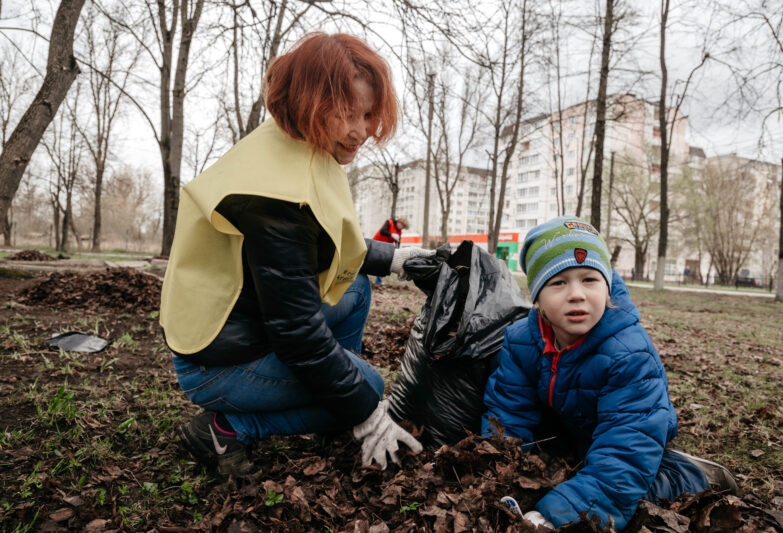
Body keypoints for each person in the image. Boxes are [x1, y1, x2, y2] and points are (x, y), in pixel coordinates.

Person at [160, 33, 429, 476]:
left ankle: (332, 400)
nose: (361, 131)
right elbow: (297, 333)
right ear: (310, 101)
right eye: (347, 114)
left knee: (356, 290)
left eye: (367, 114)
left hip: (245, 325)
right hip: (217, 362)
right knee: (368, 387)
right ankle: (227, 430)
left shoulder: (293, 144)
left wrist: (398, 260)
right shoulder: (277, 201)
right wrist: (362, 407)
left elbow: (328, 245)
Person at [483, 216, 738, 530]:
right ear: (537, 300)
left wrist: (558, 516)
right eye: (558, 282)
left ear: (607, 288)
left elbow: (624, 451)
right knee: (564, 465)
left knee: (634, 490)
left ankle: (690, 474)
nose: (576, 294)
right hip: (573, 435)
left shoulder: (629, 351)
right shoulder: (521, 340)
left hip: (630, 436)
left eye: (590, 279)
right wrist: (500, 475)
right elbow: (508, 412)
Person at [372, 217, 408, 284]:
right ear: (399, 222)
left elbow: (398, 243)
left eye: (403, 227)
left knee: (382, 264)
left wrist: (397, 249)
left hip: (385, 247)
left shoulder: (399, 232)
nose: (401, 227)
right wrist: (391, 235)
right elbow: (382, 232)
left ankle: (378, 281)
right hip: (376, 243)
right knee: (372, 261)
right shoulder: (389, 222)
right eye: (401, 225)